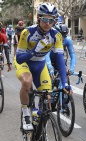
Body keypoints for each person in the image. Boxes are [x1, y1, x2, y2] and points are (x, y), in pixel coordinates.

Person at [14, 2, 67, 131]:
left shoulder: (56, 35)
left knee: (47, 95)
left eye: (51, 20)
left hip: (40, 64)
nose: (47, 23)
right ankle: (26, 113)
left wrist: (64, 84)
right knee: (27, 82)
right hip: (25, 63)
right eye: (44, 19)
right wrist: (34, 50)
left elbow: (60, 59)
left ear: (55, 21)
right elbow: (19, 59)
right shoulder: (27, 32)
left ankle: (39, 123)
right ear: (38, 18)